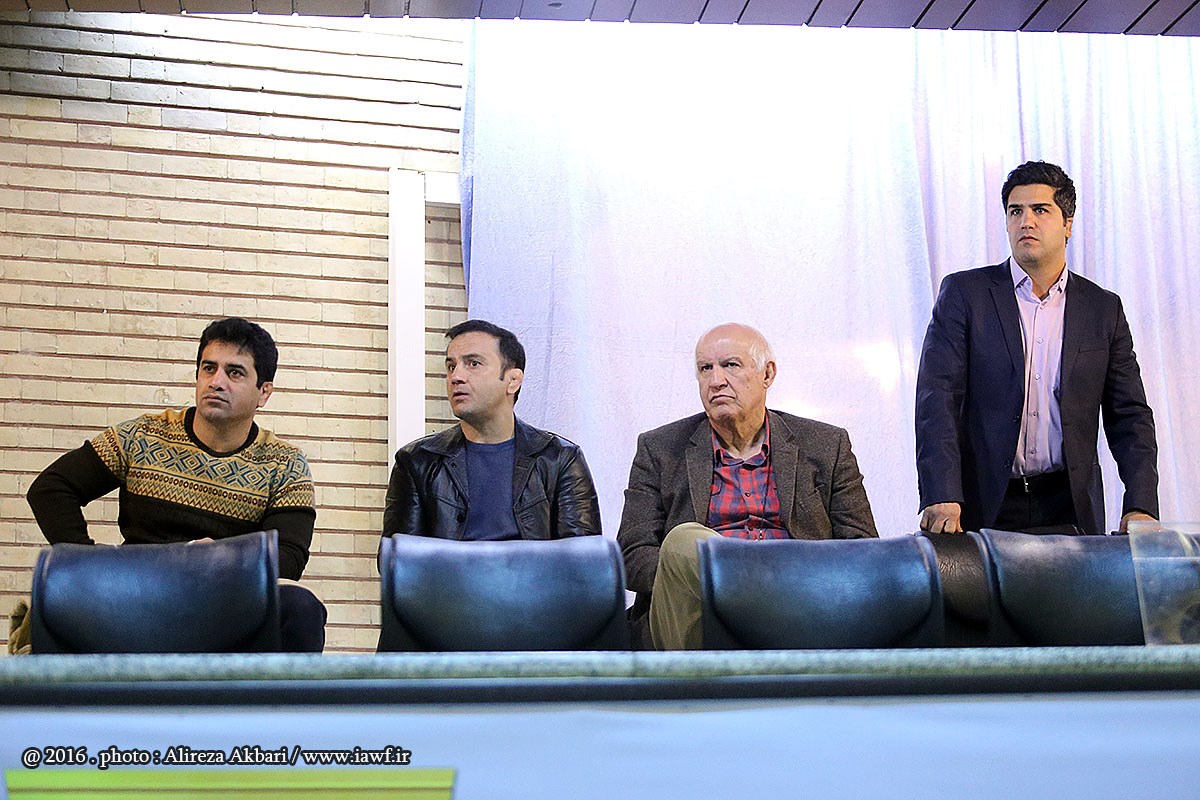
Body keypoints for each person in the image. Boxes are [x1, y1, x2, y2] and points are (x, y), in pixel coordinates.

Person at [27, 317, 325, 652]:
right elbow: (51, 489)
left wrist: (220, 561)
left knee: (301, 608)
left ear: (264, 392)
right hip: (139, 595)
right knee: (58, 594)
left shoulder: (285, 463)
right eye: (209, 369)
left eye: (234, 373)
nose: (216, 382)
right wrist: (95, 567)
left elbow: (289, 557)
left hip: (226, 601)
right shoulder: (143, 435)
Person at [916, 160, 1158, 537]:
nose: (1025, 221)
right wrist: (942, 493)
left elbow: (1129, 415)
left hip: (1069, 503)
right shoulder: (965, 295)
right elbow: (938, 398)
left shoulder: (1102, 309)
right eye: (1016, 211)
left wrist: (1140, 505)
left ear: (1068, 224)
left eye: (1040, 210)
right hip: (981, 506)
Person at [617, 323, 878, 650]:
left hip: (797, 604)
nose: (716, 380)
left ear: (767, 374)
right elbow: (632, 554)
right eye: (705, 368)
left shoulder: (825, 445)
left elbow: (863, 546)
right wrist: (697, 578)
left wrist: (791, 579)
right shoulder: (660, 449)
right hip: (698, 614)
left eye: (730, 365)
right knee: (685, 540)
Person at [383, 319, 600, 544]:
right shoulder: (418, 461)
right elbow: (401, 558)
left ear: (513, 380)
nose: (456, 377)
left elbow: (582, 557)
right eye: (451, 366)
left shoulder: (559, 458)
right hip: (449, 570)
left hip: (532, 569)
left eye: (473, 364)